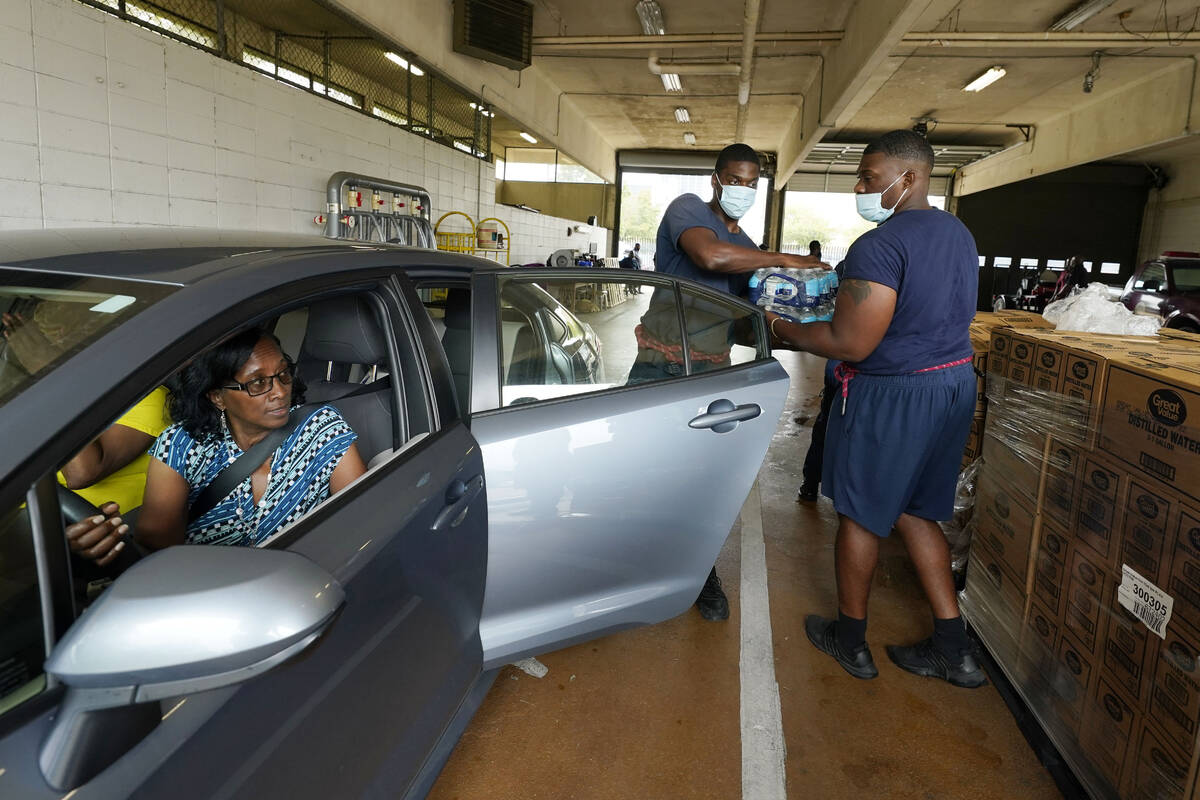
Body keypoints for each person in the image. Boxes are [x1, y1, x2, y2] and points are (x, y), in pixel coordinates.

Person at [768, 130, 985, 688]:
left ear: (908, 178)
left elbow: (851, 343)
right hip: (953, 384)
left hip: (896, 392)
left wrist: (779, 326)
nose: (860, 188)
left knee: (862, 514)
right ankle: (952, 648)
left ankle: (850, 639)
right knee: (916, 510)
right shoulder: (958, 232)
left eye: (868, 177)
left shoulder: (879, 246)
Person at [641, 142, 827, 621]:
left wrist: (808, 331)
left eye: (752, 183)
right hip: (658, 367)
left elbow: (750, 320)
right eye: (735, 179)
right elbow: (709, 258)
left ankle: (699, 574)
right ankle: (629, 564)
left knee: (701, 480)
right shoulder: (688, 210)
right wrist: (788, 260)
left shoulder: (746, 248)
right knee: (642, 469)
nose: (743, 189)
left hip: (710, 373)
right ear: (716, 179)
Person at [66, 329, 366, 555]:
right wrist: (111, 544)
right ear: (217, 396)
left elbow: (364, 523)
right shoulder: (181, 446)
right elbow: (158, 553)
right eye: (258, 383)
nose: (279, 391)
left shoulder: (322, 429)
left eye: (283, 374)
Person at [59, 386, 172, 567]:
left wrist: (45, 389)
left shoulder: (147, 397)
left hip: (115, 545)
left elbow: (81, 473)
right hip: (32, 525)